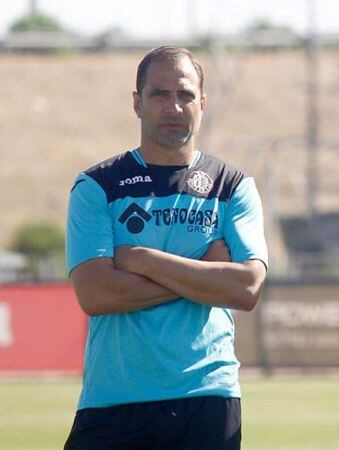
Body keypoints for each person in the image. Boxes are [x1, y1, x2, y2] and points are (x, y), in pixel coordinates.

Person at [64, 46, 268, 450]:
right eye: (159, 94)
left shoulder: (232, 187)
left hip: (207, 397)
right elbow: (96, 294)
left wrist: (143, 260)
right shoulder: (97, 186)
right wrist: (203, 274)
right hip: (114, 399)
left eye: (185, 94)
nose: (173, 106)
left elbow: (246, 288)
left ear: (202, 103)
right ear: (137, 103)